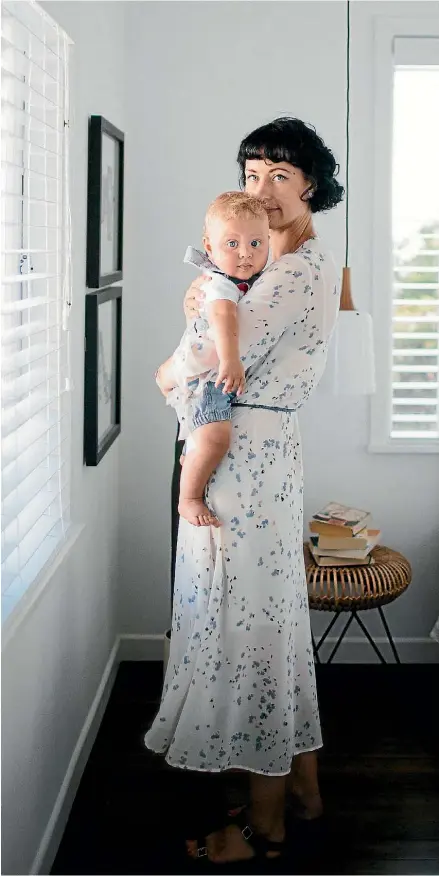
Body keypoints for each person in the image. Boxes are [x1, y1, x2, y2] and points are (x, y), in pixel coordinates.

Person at [145, 117, 344, 864]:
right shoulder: (275, 265)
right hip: (263, 454)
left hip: (245, 464)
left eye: (279, 178)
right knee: (269, 617)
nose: (260, 192)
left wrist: (170, 369)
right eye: (251, 174)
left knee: (247, 627)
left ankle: (263, 829)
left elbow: (195, 359)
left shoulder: (289, 273)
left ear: (310, 189)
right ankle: (301, 788)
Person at [157, 192, 270, 528]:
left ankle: (194, 459)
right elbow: (223, 317)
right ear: (209, 247)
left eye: (255, 242)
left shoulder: (246, 281)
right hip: (207, 377)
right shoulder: (221, 284)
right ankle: (188, 498)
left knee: (204, 440)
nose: (246, 253)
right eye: (232, 244)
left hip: (199, 371)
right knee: (216, 439)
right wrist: (231, 360)